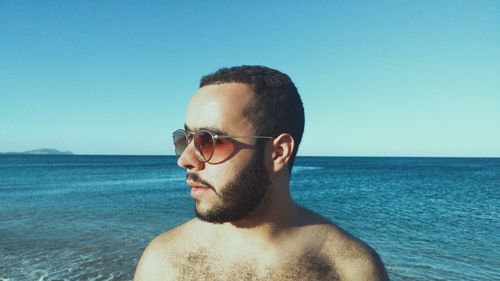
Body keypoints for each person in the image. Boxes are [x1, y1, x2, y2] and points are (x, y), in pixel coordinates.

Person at [134, 65, 389, 280]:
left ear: (278, 152)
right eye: (185, 139)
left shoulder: (351, 269)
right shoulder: (164, 260)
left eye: (209, 140)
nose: (185, 159)